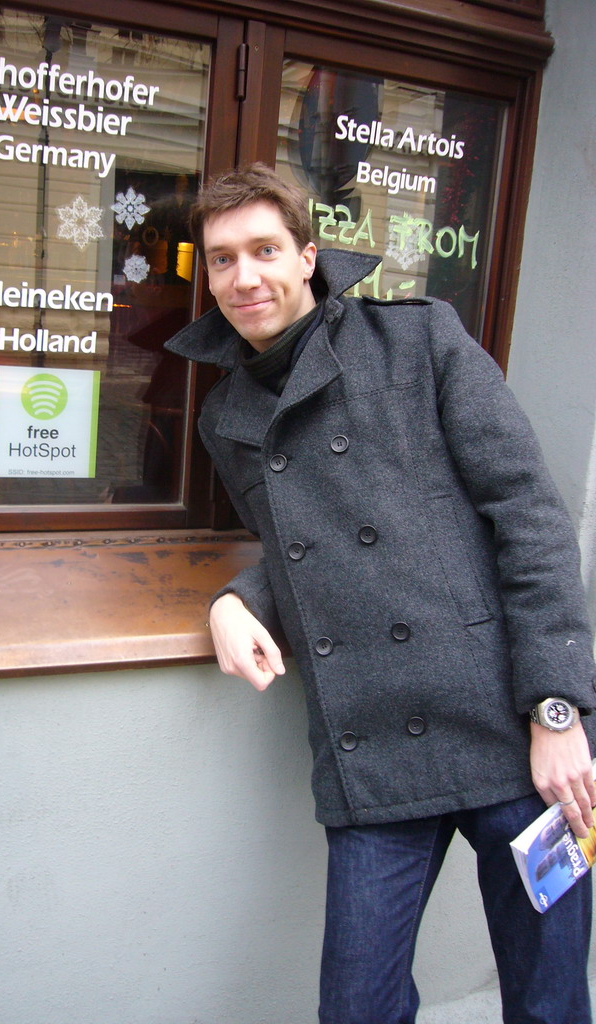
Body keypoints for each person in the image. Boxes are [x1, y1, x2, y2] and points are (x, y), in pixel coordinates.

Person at [165, 162, 596, 1024]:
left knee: (550, 998)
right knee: (358, 1006)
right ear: (206, 277)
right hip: (372, 747)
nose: (245, 277)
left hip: (515, 730)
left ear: (308, 255)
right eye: (221, 260)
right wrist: (233, 598)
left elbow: (528, 516)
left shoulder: (421, 340)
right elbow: (301, 550)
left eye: (265, 249)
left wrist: (559, 710)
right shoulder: (225, 416)